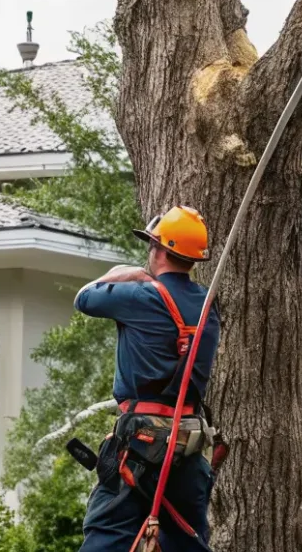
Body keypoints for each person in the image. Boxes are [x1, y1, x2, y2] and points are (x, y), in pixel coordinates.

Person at [74, 206, 223, 552]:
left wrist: (133, 274)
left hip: (141, 444)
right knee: (186, 541)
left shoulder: (143, 296)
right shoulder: (207, 307)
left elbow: (84, 298)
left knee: (107, 536)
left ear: (157, 249)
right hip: (186, 444)